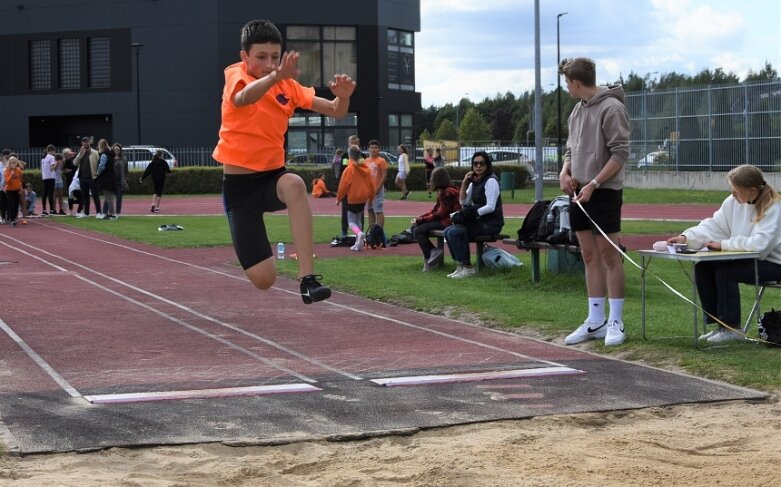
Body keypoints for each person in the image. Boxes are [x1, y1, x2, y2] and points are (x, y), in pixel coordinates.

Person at [212, 19, 355, 304]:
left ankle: (308, 280)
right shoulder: (236, 75)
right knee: (265, 280)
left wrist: (344, 97)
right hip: (240, 190)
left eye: (275, 57)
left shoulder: (287, 85)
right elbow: (242, 99)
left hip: (271, 179)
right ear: (245, 57)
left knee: (294, 184)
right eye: (261, 57)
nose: (269, 63)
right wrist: (274, 78)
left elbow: (335, 111)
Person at [558, 57, 631, 347]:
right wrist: (565, 172)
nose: (567, 88)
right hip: (578, 191)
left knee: (609, 255)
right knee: (588, 255)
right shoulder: (576, 111)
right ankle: (595, 320)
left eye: (567, 83)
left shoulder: (612, 108)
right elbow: (570, 150)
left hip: (604, 191)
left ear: (575, 83)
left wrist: (594, 183)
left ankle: (616, 320)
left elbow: (620, 153)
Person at [666, 165, 781, 344]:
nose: (733, 194)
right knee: (704, 266)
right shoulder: (732, 202)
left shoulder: (774, 206)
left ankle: (732, 328)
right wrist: (686, 237)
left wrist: (723, 245)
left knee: (726, 272)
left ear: (751, 190)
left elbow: (761, 246)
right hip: (752, 260)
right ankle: (720, 325)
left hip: (775, 264)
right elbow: (714, 226)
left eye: (736, 191)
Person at [444, 151, 504, 278]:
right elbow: (463, 201)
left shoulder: (491, 181)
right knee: (447, 231)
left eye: (481, 163)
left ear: (487, 164)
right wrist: (465, 182)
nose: (478, 166)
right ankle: (460, 265)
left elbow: (491, 207)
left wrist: (473, 213)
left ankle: (468, 267)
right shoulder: (475, 182)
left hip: (491, 223)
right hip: (478, 221)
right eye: (475, 163)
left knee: (456, 233)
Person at [412, 167, 461, 272]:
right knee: (416, 227)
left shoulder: (448, 193)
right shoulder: (444, 191)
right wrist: (420, 218)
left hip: (450, 222)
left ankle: (429, 257)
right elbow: (435, 210)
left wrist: (421, 220)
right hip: (446, 220)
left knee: (418, 230)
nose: (430, 181)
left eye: (432, 179)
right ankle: (432, 253)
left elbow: (439, 214)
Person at [336, 145, 375, 251]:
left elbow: (343, 186)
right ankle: (359, 243)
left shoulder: (349, 169)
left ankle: (359, 233)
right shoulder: (366, 168)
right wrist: (371, 196)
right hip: (363, 198)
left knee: (351, 221)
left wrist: (339, 198)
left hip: (353, 197)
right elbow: (371, 183)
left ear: (349, 156)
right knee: (358, 219)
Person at [74, 136, 101, 218]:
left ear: (90, 142)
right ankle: (86, 213)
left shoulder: (95, 153)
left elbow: (99, 164)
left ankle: (99, 212)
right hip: (82, 177)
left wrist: (97, 175)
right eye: (84, 142)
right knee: (85, 196)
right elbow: (75, 163)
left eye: (87, 141)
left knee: (95, 195)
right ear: (82, 143)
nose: (85, 143)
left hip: (92, 177)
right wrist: (80, 154)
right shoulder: (81, 153)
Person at [339, 135, 361, 236]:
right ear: (348, 144)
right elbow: (343, 170)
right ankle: (344, 231)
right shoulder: (344, 156)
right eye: (352, 143)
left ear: (358, 144)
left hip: (358, 189)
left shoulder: (362, 157)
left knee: (359, 213)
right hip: (348, 189)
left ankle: (359, 233)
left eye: (355, 143)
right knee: (345, 212)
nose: (353, 145)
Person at [365, 139, 388, 228]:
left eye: (375, 148)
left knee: (378, 210)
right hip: (368, 190)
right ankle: (371, 230)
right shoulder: (366, 161)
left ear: (379, 149)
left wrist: (378, 188)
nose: (373, 149)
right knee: (370, 210)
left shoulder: (381, 161)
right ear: (369, 149)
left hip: (377, 188)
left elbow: (384, 175)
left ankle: (379, 230)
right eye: (372, 148)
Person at [96, 138, 117, 219]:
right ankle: (111, 213)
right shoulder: (110, 154)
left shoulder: (104, 155)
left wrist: (97, 174)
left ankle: (112, 214)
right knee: (110, 197)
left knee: (108, 198)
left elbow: (101, 167)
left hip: (106, 179)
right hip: (111, 177)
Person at [2, 157, 23, 227]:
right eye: (12, 163)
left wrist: (21, 189)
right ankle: (12, 219)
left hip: (17, 190)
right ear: (9, 163)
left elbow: (20, 180)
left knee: (16, 205)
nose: (13, 164)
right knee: (12, 205)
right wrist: (11, 174)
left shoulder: (18, 170)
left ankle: (14, 217)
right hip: (9, 190)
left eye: (15, 162)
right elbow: (7, 181)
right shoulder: (6, 171)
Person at [112, 143, 129, 217]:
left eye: (118, 149)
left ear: (120, 150)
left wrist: (125, 179)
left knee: (119, 197)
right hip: (111, 181)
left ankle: (117, 212)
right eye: (115, 149)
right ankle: (108, 212)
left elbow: (126, 171)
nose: (117, 150)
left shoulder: (124, 159)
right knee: (109, 197)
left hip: (120, 181)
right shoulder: (110, 158)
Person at [40, 144, 56, 216]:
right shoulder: (52, 157)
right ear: (52, 150)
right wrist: (57, 163)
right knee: (50, 193)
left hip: (45, 177)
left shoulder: (43, 157)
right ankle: (52, 209)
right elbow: (52, 168)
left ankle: (44, 209)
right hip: (51, 177)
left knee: (45, 193)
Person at [61, 148, 77, 215]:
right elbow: (63, 170)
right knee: (70, 195)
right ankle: (70, 210)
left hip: (75, 179)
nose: (66, 156)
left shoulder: (74, 159)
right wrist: (69, 170)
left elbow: (75, 168)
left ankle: (82, 208)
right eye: (65, 155)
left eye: (67, 154)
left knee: (78, 194)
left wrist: (73, 153)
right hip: (69, 180)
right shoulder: (64, 161)